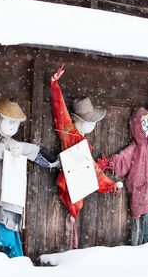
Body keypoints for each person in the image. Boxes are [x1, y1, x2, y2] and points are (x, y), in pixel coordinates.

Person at [0, 99, 59, 257]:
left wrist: (53, 162)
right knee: (7, 227)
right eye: (9, 122)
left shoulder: (18, 146)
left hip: (13, 192)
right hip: (4, 193)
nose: (13, 126)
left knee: (10, 227)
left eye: (15, 123)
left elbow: (34, 151)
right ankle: (15, 258)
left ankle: (16, 258)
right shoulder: (4, 147)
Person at [50, 65, 121, 250]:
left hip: (74, 182)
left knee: (71, 225)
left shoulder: (74, 137)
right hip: (72, 184)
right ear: (83, 121)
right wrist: (54, 86)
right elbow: (61, 112)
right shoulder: (71, 136)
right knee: (69, 226)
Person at [97, 83, 148, 246]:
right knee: (137, 219)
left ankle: (145, 245)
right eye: (142, 125)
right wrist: (109, 163)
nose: (146, 128)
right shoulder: (135, 147)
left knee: (146, 219)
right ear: (136, 125)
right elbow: (123, 157)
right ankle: (135, 248)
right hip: (138, 187)